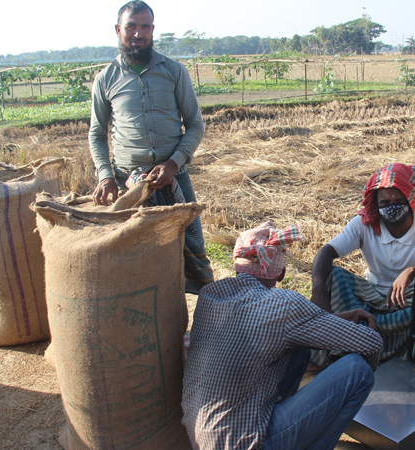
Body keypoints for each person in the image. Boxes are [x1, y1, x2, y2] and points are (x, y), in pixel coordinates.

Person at [182, 221, 383, 450]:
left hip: (201, 439)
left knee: (299, 346)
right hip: (250, 443)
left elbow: (296, 324)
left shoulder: (209, 296)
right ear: (282, 274)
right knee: (357, 370)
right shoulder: (284, 305)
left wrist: (335, 319)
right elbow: (371, 342)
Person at [88, 0, 212, 293]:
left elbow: (195, 124)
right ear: (118, 30)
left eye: (145, 27)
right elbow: (97, 134)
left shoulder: (174, 71)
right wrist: (105, 175)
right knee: (134, 261)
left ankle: (194, 326)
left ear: (153, 30)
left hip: (173, 179)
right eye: (131, 26)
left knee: (191, 253)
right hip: (129, 183)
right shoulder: (106, 79)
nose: (138, 33)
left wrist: (174, 163)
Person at [311, 163, 415, 367]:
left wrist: (413, 271)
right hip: (371, 297)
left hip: (413, 300)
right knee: (333, 275)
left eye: (398, 200)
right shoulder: (364, 224)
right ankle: (344, 350)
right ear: (376, 204)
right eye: (385, 202)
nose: (392, 206)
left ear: (410, 199)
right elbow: (326, 253)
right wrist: (318, 295)